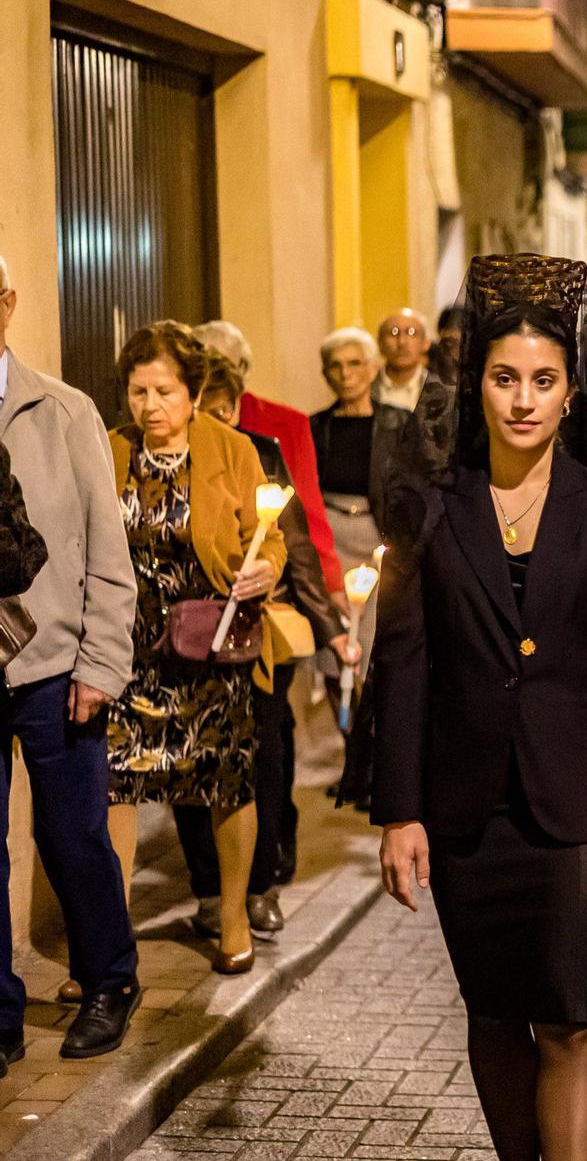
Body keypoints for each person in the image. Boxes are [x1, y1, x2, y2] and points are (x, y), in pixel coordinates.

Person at [370, 254, 587, 1161]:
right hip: (469, 809)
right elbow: (404, 663)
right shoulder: (431, 506)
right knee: (492, 1014)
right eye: (504, 378)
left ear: (569, 392)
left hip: (580, 807)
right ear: (474, 382)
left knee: (569, 1016)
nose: (522, 399)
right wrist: (399, 808)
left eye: (542, 381)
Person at [105, 321, 285, 976]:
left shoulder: (231, 449)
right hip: (129, 647)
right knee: (116, 779)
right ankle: (109, 934)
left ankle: (233, 912)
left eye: (163, 391)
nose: (148, 406)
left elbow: (268, 534)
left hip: (212, 641)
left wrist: (265, 566)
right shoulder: (112, 448)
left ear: (193, 389)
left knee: (226, 777)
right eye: (137, 391)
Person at [0, 253, 142, 1063]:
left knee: (73, 835)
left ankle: (109, 979)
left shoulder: (62, 410)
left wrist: (101, 662)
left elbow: (107, 554)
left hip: (56, 665)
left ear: (9, 304)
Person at [178, 351, 354, 936]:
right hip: (191, 633)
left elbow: (294, 544)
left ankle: (262, 881)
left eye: (227, 408)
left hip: (262, 638)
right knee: (195, 761)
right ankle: (209, 887)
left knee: (266, 758)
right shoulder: (175, 458)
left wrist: (331, 631)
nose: (219, 420)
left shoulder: (262, 452)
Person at [196, 321, 346, 614]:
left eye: (224, 363)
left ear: (243, 368)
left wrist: (331, 582)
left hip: (277, 581)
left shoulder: (286, 423)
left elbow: (306, 513)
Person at [311, 327, 412, 571]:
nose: (345, 374)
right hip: (331, 536)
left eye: (354, 363)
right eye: (335, 365)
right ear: (325, 374)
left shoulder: (401, 422)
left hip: (383, 535)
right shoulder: (314, 426)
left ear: (373, 367)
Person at [374, 308, 431, 411]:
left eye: (411, 333)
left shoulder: (442, 391)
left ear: (426, 343)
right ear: (379, 343)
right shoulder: (363, 390)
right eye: (393, 333)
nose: (402, 342)